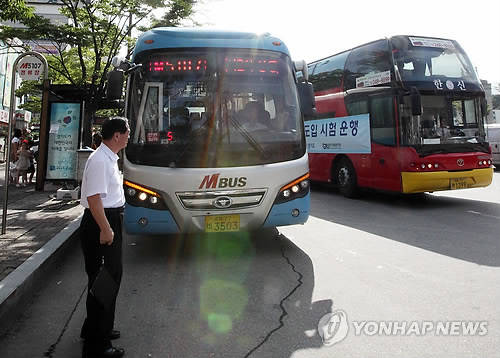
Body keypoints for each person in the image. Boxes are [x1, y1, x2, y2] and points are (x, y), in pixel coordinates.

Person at [79, 117, 129, 358]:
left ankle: (96, 330)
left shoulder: (108, 157)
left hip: (107, 220)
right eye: (127, 133)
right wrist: (106, 228)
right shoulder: (100, 160)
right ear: (117, 136)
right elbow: (94, 199)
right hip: (102, 222)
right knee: (105, 282)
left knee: (103, 280)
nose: (129, 137)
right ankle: (97, 346)